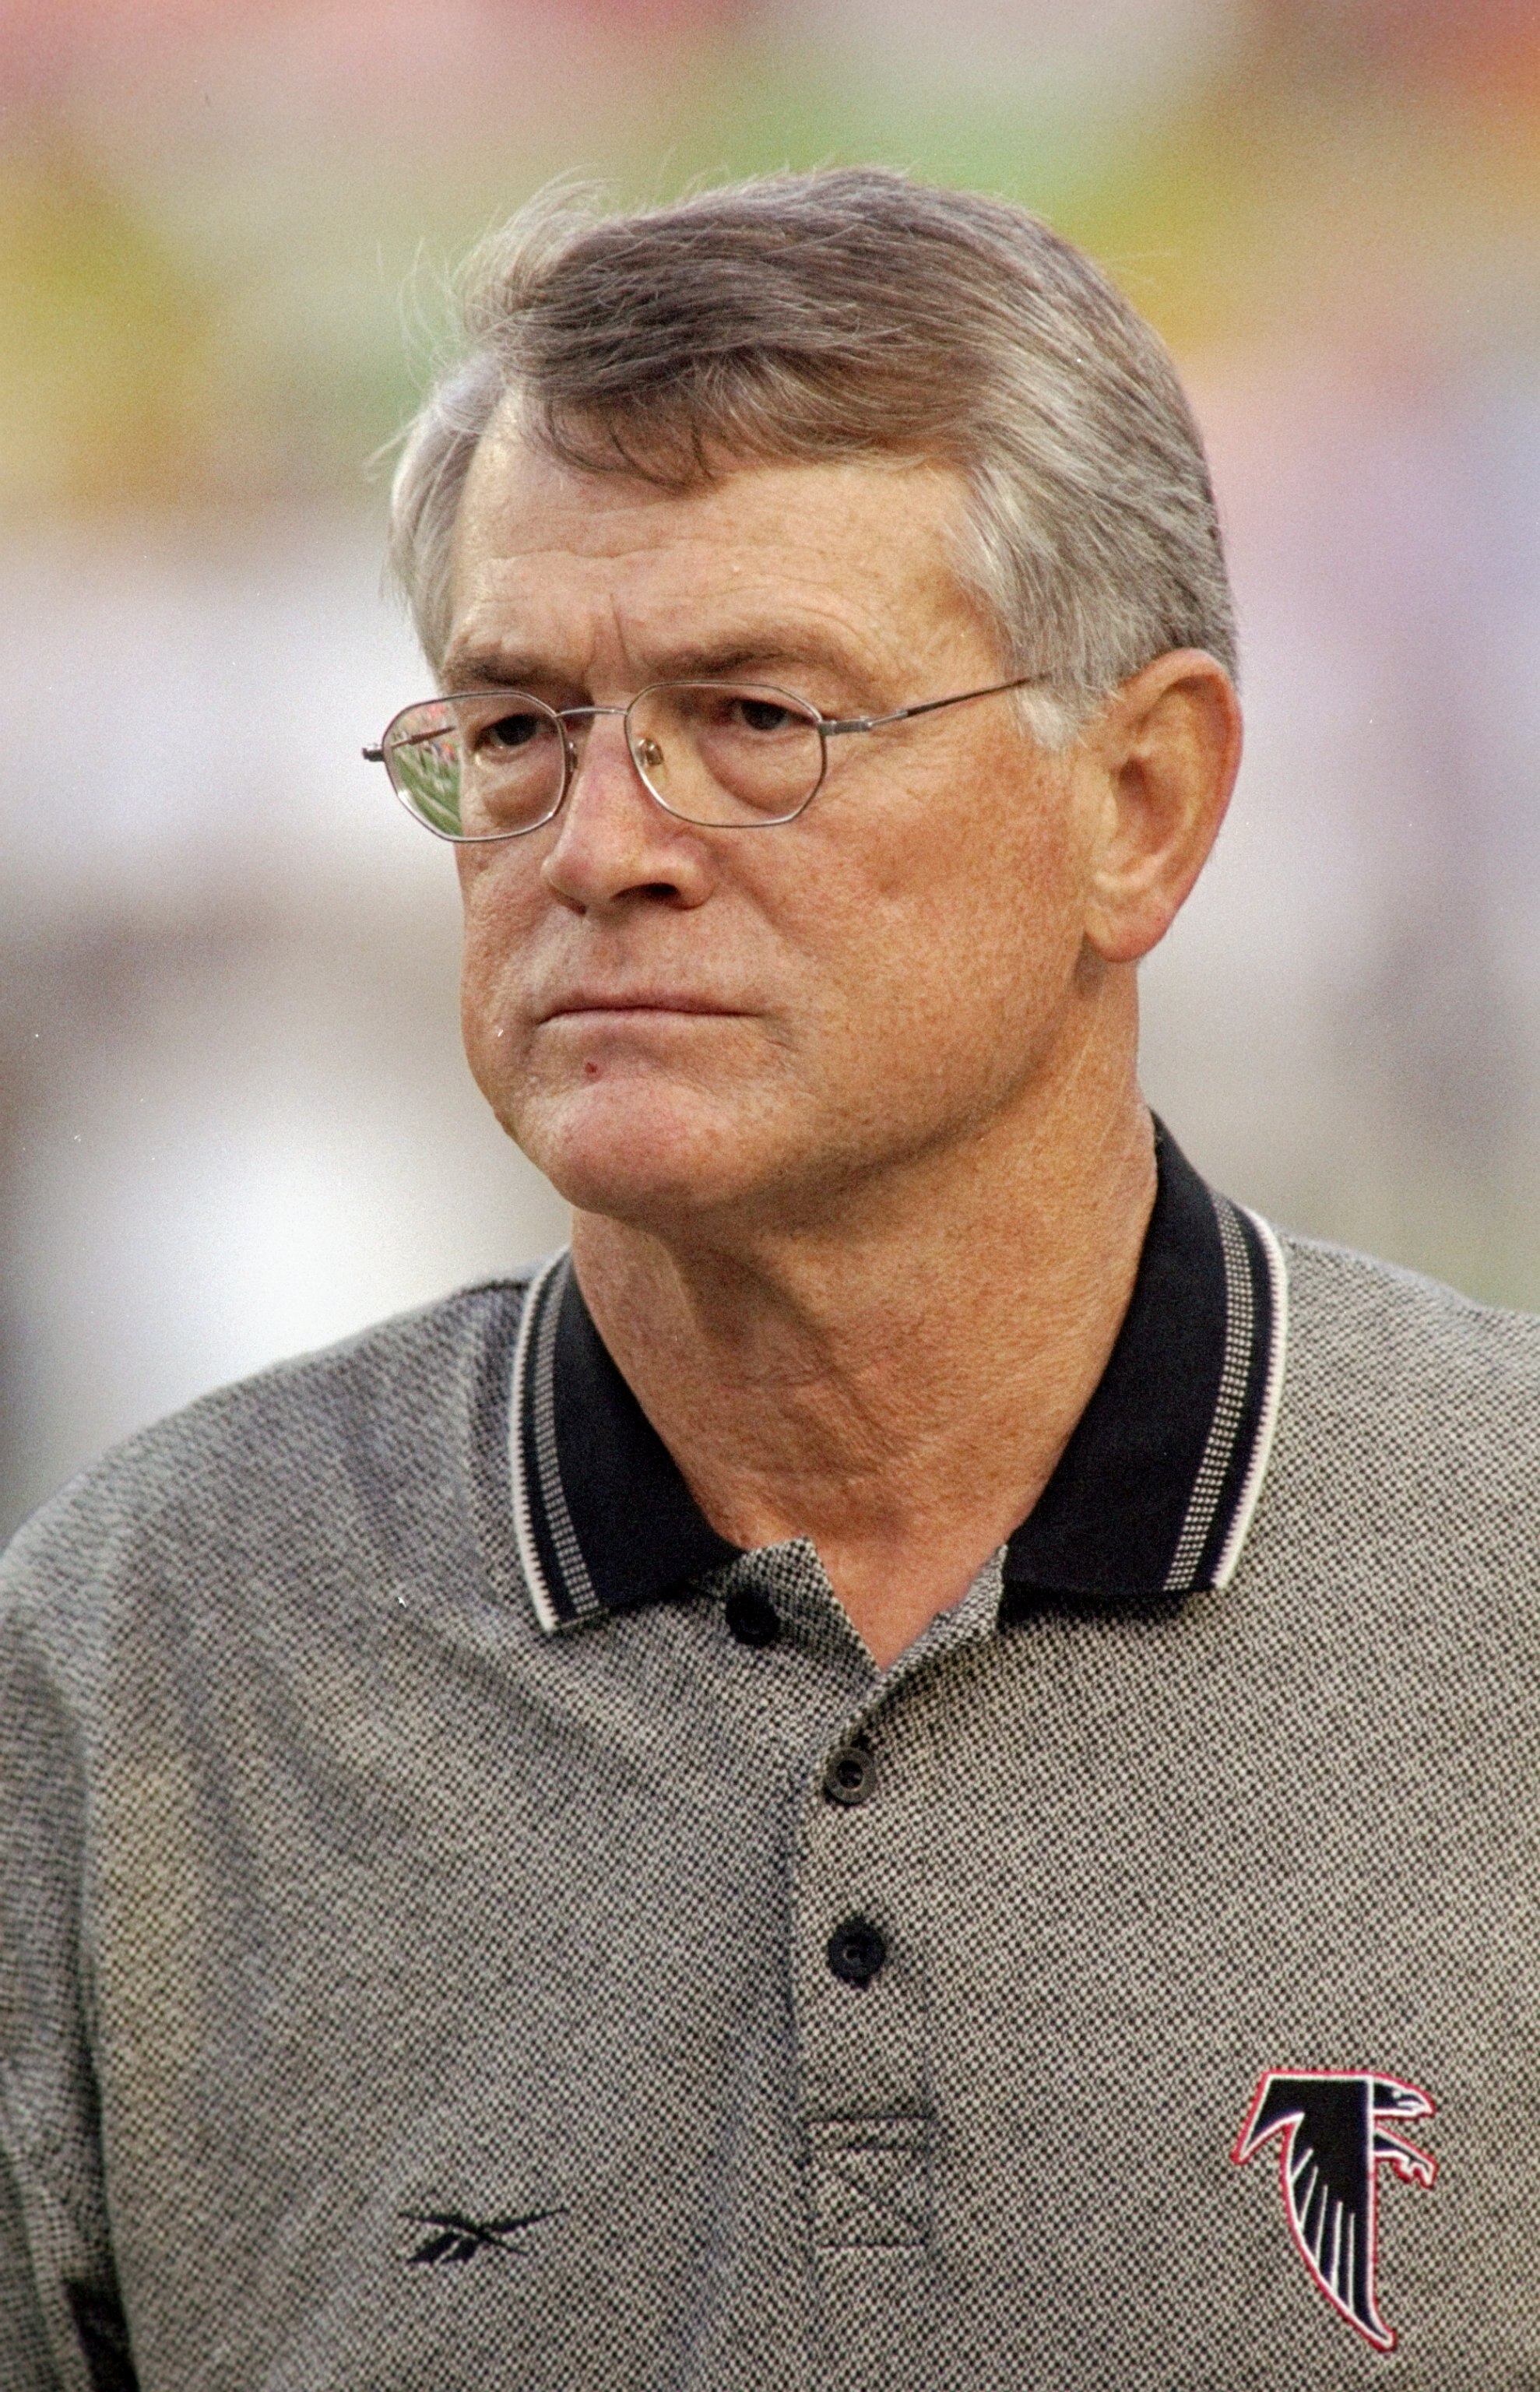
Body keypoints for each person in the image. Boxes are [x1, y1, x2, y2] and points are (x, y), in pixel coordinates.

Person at [2, 168, 1535, 2392]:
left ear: (1142, 798)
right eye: (516, 729)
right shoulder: (138, 1664)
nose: (604, 843)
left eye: (756, 717)